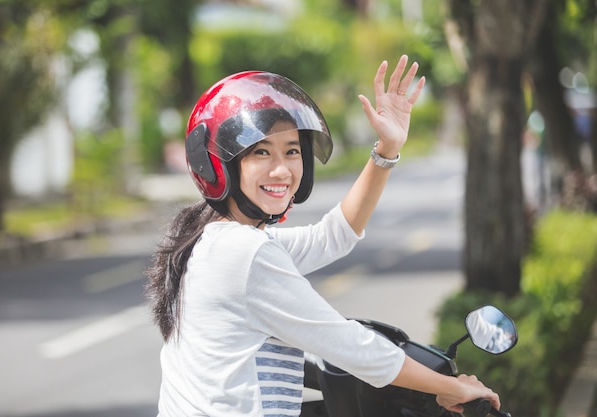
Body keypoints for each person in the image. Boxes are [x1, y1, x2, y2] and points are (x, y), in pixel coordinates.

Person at [146, 56, 501, 417]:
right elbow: (350, 346)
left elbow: (333, 236)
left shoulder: (211, 241)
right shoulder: (242, 254)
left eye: (292, 151)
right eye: (261, 152)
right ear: (218, 163)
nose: (282, 169)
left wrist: (387, 148)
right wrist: (453, 388)